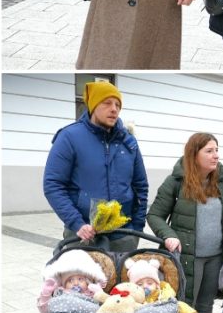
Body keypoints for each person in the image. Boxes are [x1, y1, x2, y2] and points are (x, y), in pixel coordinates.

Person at [147, 132, 223, 313]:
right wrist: (168, 235)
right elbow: (154, 215)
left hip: (215, 257)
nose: (215, 155)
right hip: (186, 256)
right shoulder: (176, 182)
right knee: (182, 301)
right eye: (209, 151)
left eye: (217, 150)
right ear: (194, 154)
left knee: (206, 303)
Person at [43, 81, 147, 253]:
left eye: (118, 105)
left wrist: (136, 228)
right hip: (83, 235)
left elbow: (141, 186)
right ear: (92, 106)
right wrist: (77, 223)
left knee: (121, 281)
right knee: (83, 280)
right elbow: (53, 185)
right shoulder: (69, 137)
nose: (114, 109)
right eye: (107, 103)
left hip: (123, 235)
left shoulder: (128, 142)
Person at [127, 258, 208, 313]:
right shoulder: (128, 299)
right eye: (139, 284)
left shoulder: (165, 297)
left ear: (157, 284)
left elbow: (180, 306)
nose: (145, 286)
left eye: (150, 283)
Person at [36, 249, 107, 313]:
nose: (76, 283)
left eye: (80, 279)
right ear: (64, 284)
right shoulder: (60, 292)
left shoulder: (91, 293)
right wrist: (46, 292)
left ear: (87, 281)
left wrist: (98, 291)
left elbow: (103, 307)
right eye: (70, 280)